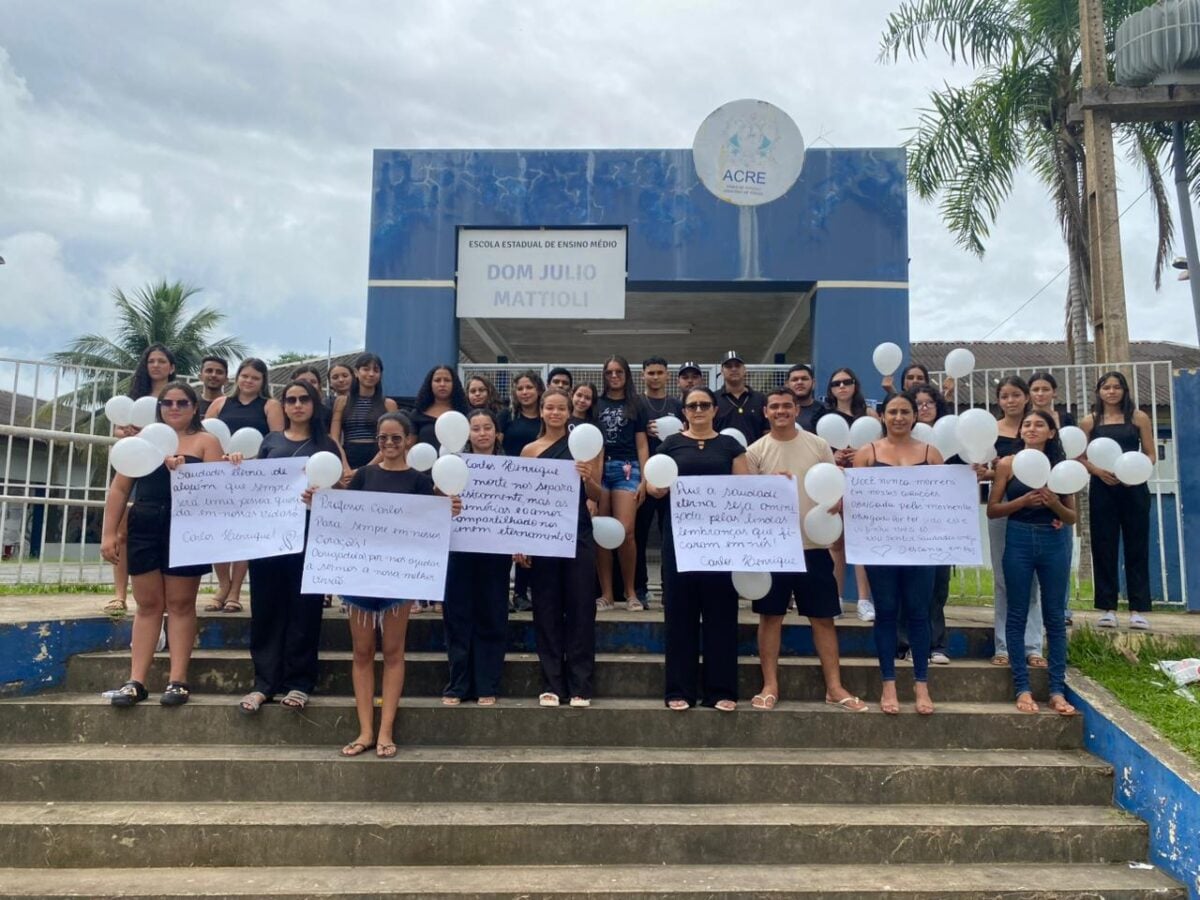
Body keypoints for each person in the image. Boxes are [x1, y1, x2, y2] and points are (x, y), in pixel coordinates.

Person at [334, 411, 460, 758]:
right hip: (360, 575)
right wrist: (321, 503)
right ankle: (365, 731)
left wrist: (448, 509)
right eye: (382, 438)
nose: (388, 444)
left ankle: (386, 729)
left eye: (395, 438)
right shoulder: (363, 476)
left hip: (398, 580)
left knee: (393, 653)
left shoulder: (420, 482)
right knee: (361, 653)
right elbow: (343, 518)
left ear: (408, 441)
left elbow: (429, 527)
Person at [99, 381, 224, 706]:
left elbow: (221, 490)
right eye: (168, 403)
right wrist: (109, 533)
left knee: (181, 604)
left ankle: (177, 680)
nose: (174, 408)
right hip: (146, 523)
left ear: (194, 407)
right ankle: (136, 680)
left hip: (188, 528)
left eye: (182, 403)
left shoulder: (206, 441)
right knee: (148, 604)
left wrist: (189, 471)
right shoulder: (143, 439)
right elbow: (119, 489)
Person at [746, 389, 867, 712]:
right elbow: (746, 498)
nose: (781, 410)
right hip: (774, 549)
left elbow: (835, 486)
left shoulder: (818, 445)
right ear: (766, 412)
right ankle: (770, 685)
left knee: (823, 618)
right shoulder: (755, 451)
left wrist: (839, 500)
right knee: (770, 618)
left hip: (814, 547)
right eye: (775, 406)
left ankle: (834, 687)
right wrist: (768, 484)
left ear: (797, 410)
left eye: (787, 405)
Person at [240, 380, 344, 714]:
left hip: (309, 539)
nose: (297, 405)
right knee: (266, 610)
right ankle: (264, 683)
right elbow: (252, 484)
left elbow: (340, 488)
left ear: (314, 404)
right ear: (283, 406)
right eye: (291, 400)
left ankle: (299, 682)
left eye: (304, 399)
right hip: (268, 540)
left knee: (304, 612)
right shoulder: (269, 442)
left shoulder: (325, 443)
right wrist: (235, 462)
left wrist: (322, 494)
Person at [650, 387, 747, 710]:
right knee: (679, 616)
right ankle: (679, 690)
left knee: (721, 615)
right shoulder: (671, 445)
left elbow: (745, 489)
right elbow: (653, 485)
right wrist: (657, 487)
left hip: (720, 544)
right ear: (684, 412)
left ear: (715, 409)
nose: (699, 409)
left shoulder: (730, 446)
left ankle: (721, 691)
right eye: (692, 405)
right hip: (679, 543)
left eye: (705, 404)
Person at [852, 391, 944, 716]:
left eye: (905, 411)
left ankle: (922, 684)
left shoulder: (931, 453)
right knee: (887, 612)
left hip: (921, 548)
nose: (899, 417)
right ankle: (888, 683)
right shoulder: (867, 453)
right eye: (893, 412)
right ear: (882, 416)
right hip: (881, 548)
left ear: (915, 416)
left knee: (918, 613)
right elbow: (856, 501)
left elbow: (945, 502)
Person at [988, 410, 1077, 715]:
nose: (1032, 428)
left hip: (1053, 544)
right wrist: (1022, 502)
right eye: (1027, 424)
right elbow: (994, 509)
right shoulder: (1007, 464)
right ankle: (1022, 687)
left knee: (1054, 616)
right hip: (1019, 539)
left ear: (1052, 432)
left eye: (1040, 424)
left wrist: (1054, 504)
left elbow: (1072, 517)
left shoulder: (1061, 468)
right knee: (1016, 612)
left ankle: (1056, 690)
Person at [519, 389, 601, 707]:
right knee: (547, 608)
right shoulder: (529, 450)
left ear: (570, 412)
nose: (555, 413)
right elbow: (523, 500)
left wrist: (587, 477)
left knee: (581, 607)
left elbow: (598, 494)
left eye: (561, 408)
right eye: (549, 407)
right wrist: (522, 541)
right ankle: (552, 682)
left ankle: (581, 684)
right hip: (543, 536)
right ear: (541, 411)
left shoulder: (584, 448)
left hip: (578, 532)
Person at [103, 343, 178, 617]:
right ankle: (119, 594)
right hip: (134, 461)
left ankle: (164, 599)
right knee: (122, 531)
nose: (156, 365)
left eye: (161, 361)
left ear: (172, 367)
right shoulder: (134, 397)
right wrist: (126, 432)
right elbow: (118, 428)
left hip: (164, 469)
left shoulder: (176, 398)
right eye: (151, 361)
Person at [204, 358, 284, 614]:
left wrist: (251, 460)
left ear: (263, 382)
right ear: (237, 377)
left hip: (252, 477)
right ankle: (223, 584)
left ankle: (236, 590)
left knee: (242, 536)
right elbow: (205, 435)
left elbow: (277, 442)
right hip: (220, 476)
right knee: (218, 534)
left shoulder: (270, 405)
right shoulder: (219, 403)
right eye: (245, 376)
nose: (249, 381)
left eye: (255, 378)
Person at [442, 408, 511, 706]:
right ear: (466, 433)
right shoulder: (450, 465)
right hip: (458, 548)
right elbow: (434, 499)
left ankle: (487, 683)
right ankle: (458, 684)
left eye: (487, 428)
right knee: (457, 616)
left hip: (496, 551)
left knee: (492, 614)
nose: (482, 433)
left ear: (497, 433)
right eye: (476, 428)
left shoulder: (511, 467)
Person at [1081, 371, 1156, 629]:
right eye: (1106, 387)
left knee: (1137, 546)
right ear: (1099, 391)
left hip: (1133, 487)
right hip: (1103, 488)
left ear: (1124, 391)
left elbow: (1150, 453)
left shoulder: (1138, 418)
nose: (1111, 392)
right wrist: (1098, 471)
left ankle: (1138, 608)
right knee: (1104, 546)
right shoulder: (1090, 422)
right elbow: (1080, 456)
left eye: (1116, 387)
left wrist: (1132, 472)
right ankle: (1107, 607)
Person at [985, 376, 1045, 667]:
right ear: (999, 400)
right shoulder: (989, 432)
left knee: (1032, 582)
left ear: (1026, 397)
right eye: (1005, 396)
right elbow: (981, 472)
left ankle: (1033, 647)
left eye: (1016, 395)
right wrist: (992, 471)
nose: (1010, 401)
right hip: (1001, 509)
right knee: (1002, 580)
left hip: (1035, 513)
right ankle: (1004, 646)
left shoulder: (1037, 429)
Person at [822, 367, 878, 622]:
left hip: (863, 483)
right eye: (836, 383)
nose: (842, 387)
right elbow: (818, 449)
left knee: (861, 544)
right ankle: (836, 599)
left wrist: (861, 454)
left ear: (855, 385)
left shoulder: (869, 415)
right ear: (830, 389)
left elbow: (880, 448)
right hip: (833, 482)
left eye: (847, 382)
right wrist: (832, 456)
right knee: (836, 543)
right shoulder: (824, 417)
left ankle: (864, 600)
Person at [595, 355, 649, 611]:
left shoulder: (636, 403)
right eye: (609, 372)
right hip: (599, 468)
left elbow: (641, 443)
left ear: (627, 375)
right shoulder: (597, 403)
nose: (614, 376)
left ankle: (630, 592)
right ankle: (606, 593)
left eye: (619, 372)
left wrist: (646, 478)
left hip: (628, 469)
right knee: (601, 533)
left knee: (626, 532)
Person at [634, 356, 683, 609]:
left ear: (667, 375)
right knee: (639, 536)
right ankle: (640, 589)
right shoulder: (636, 403)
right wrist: (644, 479)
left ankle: (669, 590)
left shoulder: (677, 403)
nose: (655, 377)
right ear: (643, 375)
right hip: (643, 480)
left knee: (670, 538)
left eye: (659, 372)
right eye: (650, 372)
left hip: (672, 481)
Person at [911, 384, 954, 665]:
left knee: (937, 587)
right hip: (906, 527)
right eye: (918, 404)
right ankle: (908, 644)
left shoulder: (953, 438)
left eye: (929, 403)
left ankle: (937, 644)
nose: (924, 408)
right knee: (909, 588)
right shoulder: (900, 441)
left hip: (940, 525)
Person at [498, 370, 544, 612]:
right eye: (520, 388)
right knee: (506, 542)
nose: (525, 392)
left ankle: (522, 593)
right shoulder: (507, 415)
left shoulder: (545, 418)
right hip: (508, 483)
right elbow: (497, 443)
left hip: (536, 486)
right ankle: (502, 593)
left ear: (538, 389)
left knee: (529, 541)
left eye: (529, 387)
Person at [330, 352, 398, 472]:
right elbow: (334, 438)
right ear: (356, 372)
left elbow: (392, 440)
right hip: (347, 460)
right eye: (366, 369)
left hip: (378, 462)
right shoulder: (342, 402)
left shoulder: (389, 404)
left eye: (376, 370)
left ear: (380, 374)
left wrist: (367, 468)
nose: (371, 374)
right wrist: (345, 466)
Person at [411, 364, 469, 449]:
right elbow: (409, 445)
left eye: (447, 380)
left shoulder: (466, 413)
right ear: (430, 384)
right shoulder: (417, 414)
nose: (442, 384)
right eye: (437, 380)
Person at [714, 351, 766, 445]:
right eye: (729, 366)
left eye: (737, 365)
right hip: (722, 456)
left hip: (754, 456)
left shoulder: (760, 399)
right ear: (722, 371)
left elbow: (767, 430)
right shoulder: (713, 399)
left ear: (744, 369)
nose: (734, 369)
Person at [786, 364, 821, 432]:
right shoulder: (780, 412)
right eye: (795, 379)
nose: (800, 382)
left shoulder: (826, 410)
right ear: (787, 385)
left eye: (804, 379)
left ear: (813, 383)